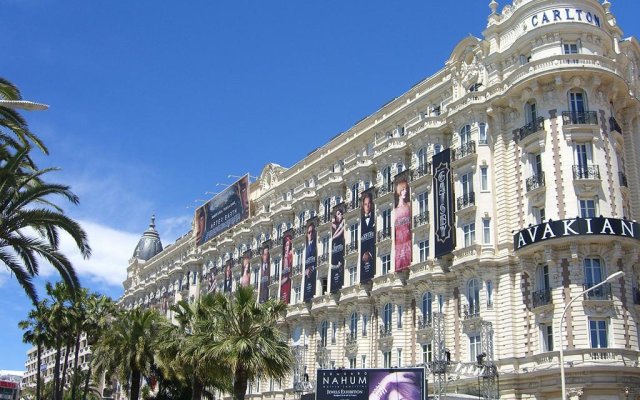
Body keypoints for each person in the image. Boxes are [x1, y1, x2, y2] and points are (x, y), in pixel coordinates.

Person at [394, 179, 412, 271]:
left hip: (408, 241)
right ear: (399, 191)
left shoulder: (409, 205)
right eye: (403, 189)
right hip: (399, 244)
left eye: (406, 189)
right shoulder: (395, 211)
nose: (405, 191)